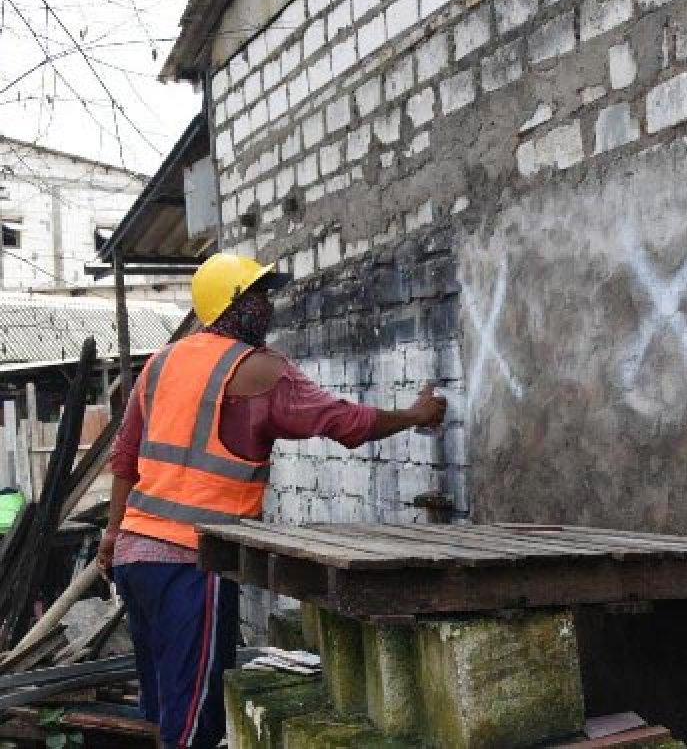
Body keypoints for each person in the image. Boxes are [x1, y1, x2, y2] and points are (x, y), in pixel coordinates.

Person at [95, 252, 445, 749]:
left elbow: (125, 461)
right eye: (257, 295)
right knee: (195, 723)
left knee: (165, 708)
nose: (267, 305)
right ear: (231, 306)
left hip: (136, 561)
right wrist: (414, 415)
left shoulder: (159, 364)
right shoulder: (258, 370)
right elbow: (343, 422)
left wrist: (111, 536)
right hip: (192, 562)